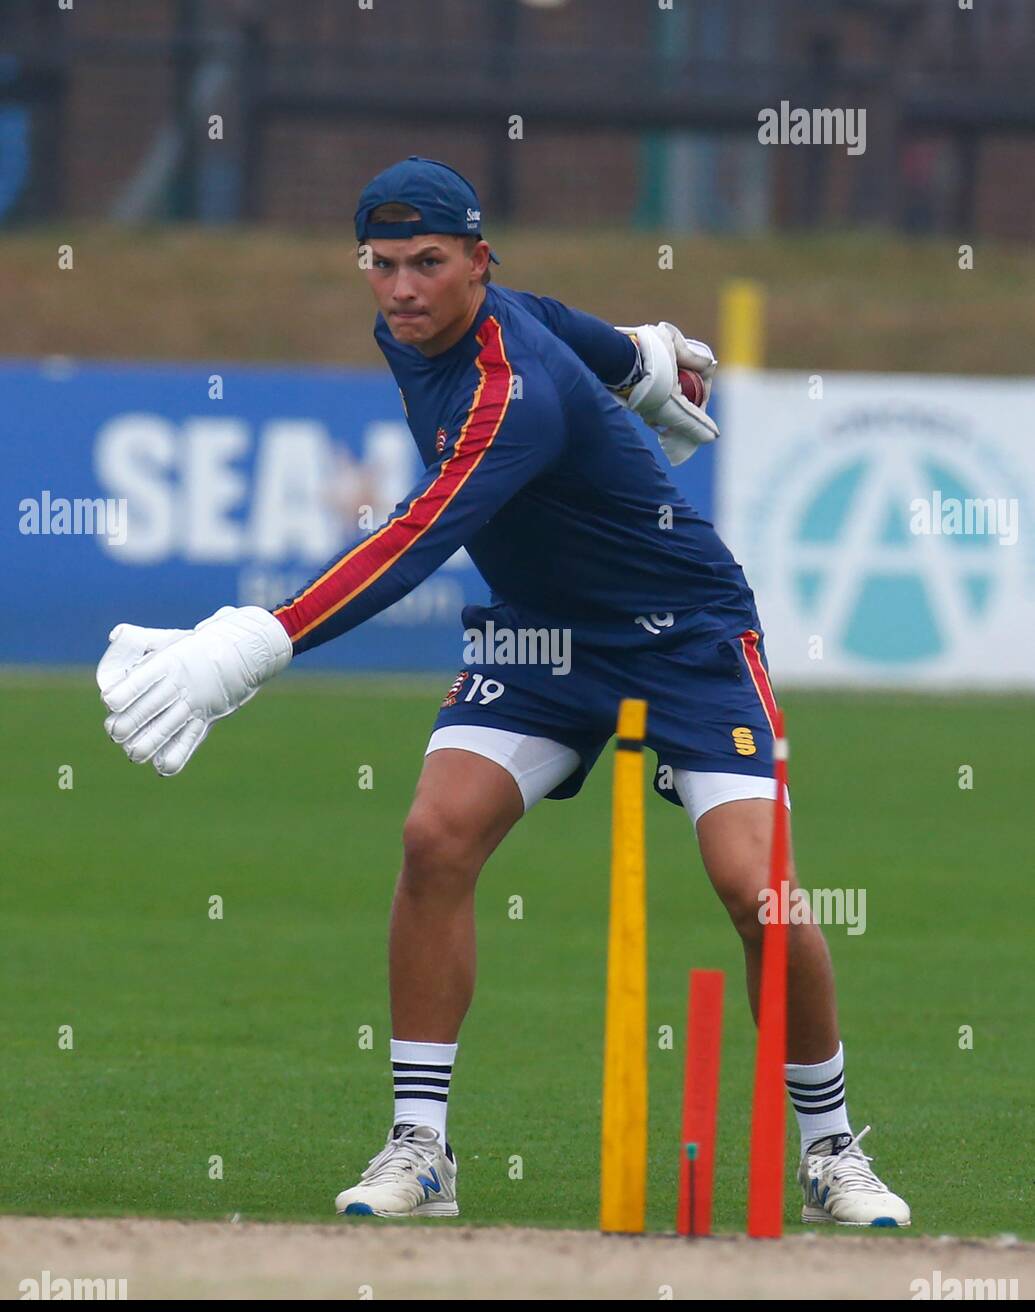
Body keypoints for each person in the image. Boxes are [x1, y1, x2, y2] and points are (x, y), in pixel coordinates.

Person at [96, 156, 909, 1228]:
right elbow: (556, 317)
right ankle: (419, 1145)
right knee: (436, 834)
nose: (401, 289)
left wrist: (254, 640)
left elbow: (421, 534)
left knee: (757, 887)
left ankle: (832, 1147)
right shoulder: (435, 324)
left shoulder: (504, 393)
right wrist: (639, 358)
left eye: (428, 263)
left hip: (686, 635)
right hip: (537, 638)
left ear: (477, 260)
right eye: (381, 265)